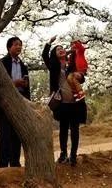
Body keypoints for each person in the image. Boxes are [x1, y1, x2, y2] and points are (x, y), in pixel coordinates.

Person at [43, 36, 87, 166]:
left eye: (62, 48)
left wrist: (81, 76)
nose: (61, 50)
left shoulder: (71, 63)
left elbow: (82, 75)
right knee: (63, 129)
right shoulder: (54, 66)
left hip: (75, 103)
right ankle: (63, 154)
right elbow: (45, 55)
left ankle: (73, 155)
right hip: (62, 104)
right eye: (58, 49)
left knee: (75, 129)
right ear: (54, 55)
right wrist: (49, 42)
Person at [0, 36, 30, 168]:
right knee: (3, 134)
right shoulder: (1, 63)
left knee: (17, 134)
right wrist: (15, 83)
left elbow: (26, 87)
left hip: (19, 103)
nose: (19, 47)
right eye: (16, 45)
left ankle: (15, 162)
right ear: (9, 47)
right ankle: (2, 165)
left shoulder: (23, 66)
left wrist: (25, 86)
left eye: (20, 45)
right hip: (3, 104)